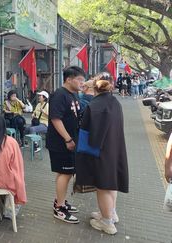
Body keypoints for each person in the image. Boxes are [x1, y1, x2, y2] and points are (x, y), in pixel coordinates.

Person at [75, 74, 129, 235]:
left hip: (99, 150)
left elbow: (88, 133)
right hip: (115, 148)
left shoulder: (95, 105)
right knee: (112, 182)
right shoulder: (115, 102)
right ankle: (110, 213)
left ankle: (107, 222)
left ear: (94, 88)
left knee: (102, 185)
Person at [46, 66, 85, 224]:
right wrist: (68, 139)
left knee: (64, 173)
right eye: (80, 80)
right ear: (69, 79)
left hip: (70, 141)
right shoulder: (59, 95)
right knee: (65, 173)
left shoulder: (73, 95)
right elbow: (56, 119)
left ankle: (60, 201)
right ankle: (59, 209)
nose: (82, 83)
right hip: (61, 143)